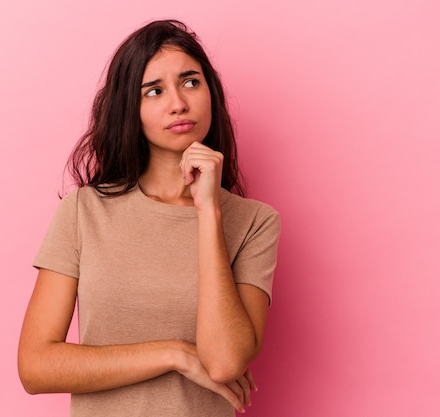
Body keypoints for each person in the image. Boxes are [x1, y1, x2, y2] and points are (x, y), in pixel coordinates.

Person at [18, 19, 280, 417]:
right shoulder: (84, 211)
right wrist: (173, 354)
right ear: (131, 109)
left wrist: (208, 210)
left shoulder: (254, 222)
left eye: (191, 82)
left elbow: (226, 362)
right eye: (154, 91)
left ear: (211, 92)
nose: (178, 103)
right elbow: (36, 367)